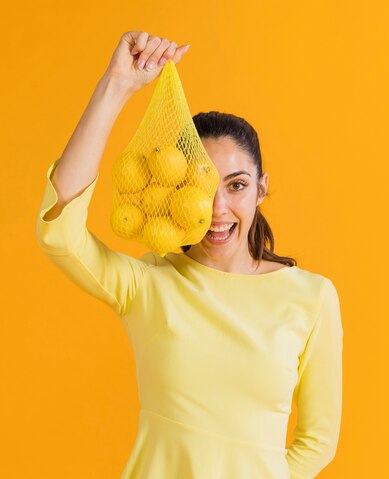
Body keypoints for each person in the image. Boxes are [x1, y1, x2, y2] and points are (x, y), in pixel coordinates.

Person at [35, 31, 343, 479]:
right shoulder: (149, 284)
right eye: (201, 186)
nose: (218, 208)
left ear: (261, 189)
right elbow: (59, 234)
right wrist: (117, 84)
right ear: (178, 187)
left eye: (236, 185)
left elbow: (318, 441)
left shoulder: (312, 297)